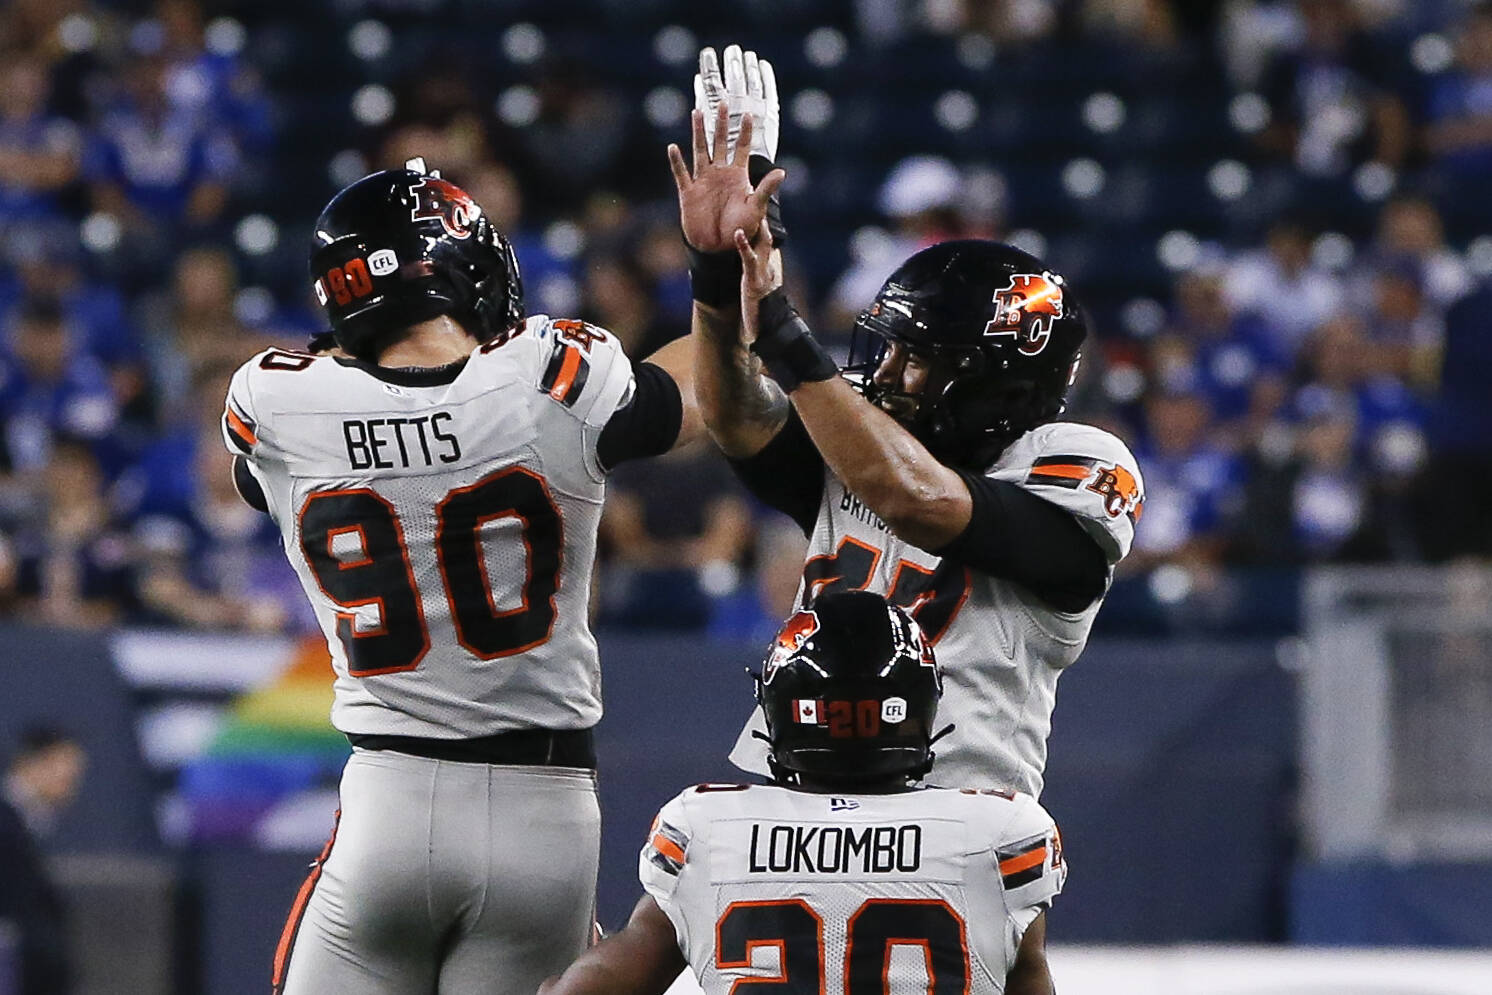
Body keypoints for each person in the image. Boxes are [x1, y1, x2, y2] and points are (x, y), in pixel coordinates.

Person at [224, 138, 778, 994]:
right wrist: (713, 272)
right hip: (543, 814)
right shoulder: (549, 377)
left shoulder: (277, 401)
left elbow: (273, 469)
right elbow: (704, 393)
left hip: (388, 801)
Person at [679, 47, 1143, 798]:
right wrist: (716, 274)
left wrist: (785, 335)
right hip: (791, 774)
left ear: (996, 382)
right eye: (888, 349)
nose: (886, 374)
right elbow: (737, 419)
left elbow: (919, 501)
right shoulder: (861, 421)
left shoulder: (1078, 464)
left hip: (953, 802)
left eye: (917, 358)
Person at [539, 591, 1065, 995]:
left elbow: (623, 970)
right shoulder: (999, 833)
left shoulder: (707, 825)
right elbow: (1029, 980)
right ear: (921, 708)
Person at [0, 726, 86, 995]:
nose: (72, 782)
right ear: (34, 762)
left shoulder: (28, 824)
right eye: (65, 770)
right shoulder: (6, 824)